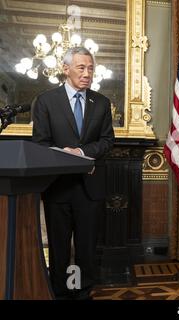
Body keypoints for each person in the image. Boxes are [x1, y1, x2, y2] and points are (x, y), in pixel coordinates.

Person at [32, 47, 115, 300]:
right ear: (66, 69)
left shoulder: (101, 102)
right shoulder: (46, 101)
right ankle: (62, 292)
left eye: (90, 68)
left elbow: (107, 141)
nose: (87, 73)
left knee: (85, 248)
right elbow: (41, 143)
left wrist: (80, 152)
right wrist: (64, 155)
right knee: (59, 248)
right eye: (81, 67)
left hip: (90, 188)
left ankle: (81, 291)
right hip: (58, 187)